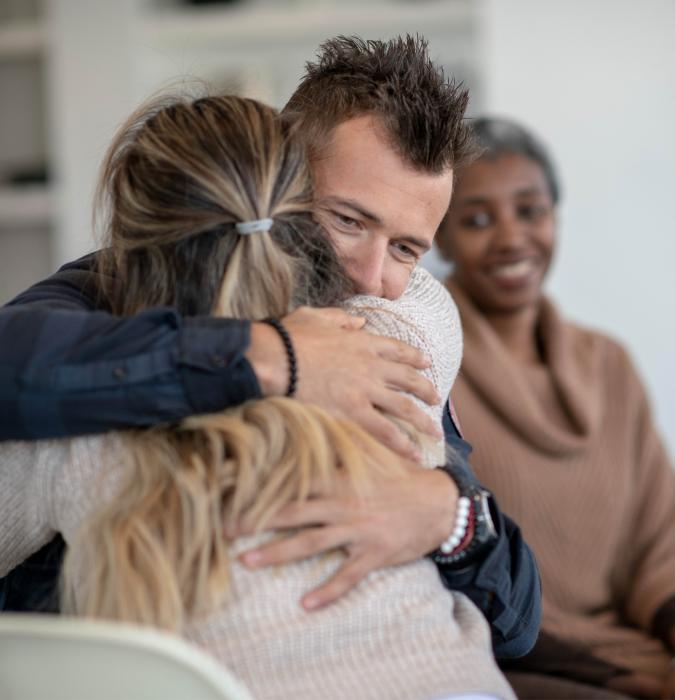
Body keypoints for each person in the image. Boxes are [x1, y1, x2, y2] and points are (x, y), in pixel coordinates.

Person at [0, 36, 540, 658]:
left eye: (404, 249)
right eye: (348, 221)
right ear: (280, 173)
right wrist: (271, 356)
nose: (369, 275)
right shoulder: (122, 283)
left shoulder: (393, 326)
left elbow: (518, 625)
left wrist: (453, 522)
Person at [436, 116, 675, 699]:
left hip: (632, 647)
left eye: (531, 211)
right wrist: (626, 678)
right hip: (511, 659)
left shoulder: (609, 364)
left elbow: (660, 545)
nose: (512, 238)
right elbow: (451, 576)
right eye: (476, 219)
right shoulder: (429, 366)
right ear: (438, 238)